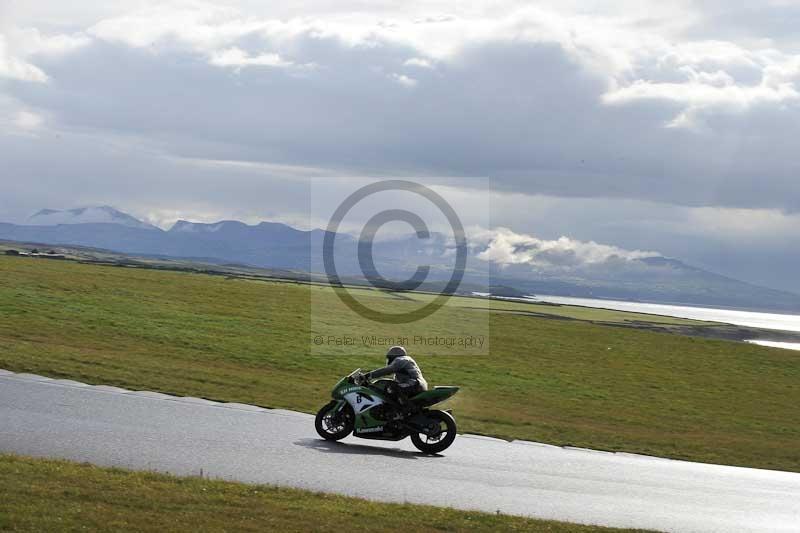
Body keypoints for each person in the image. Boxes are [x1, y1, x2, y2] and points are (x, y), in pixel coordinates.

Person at [363, 346, 428, 406]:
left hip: (414, 384)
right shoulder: (404, 362)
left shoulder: (401, 359)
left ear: (393, 356)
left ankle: (406, 408)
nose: (388, 360)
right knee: (389, 387)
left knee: (393, 388)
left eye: (389, 358)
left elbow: (387, 370)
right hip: (417, 385)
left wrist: (368, 375)